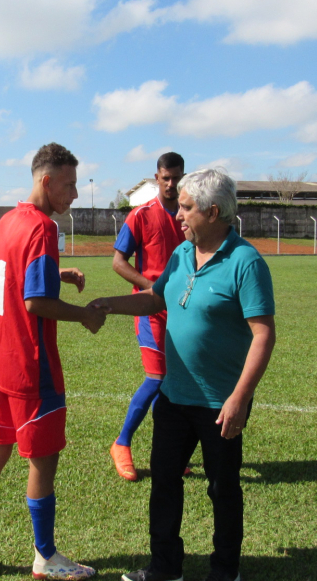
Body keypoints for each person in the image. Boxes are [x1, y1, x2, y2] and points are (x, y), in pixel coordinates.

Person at [89, 168, 276, 581]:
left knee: (223, 490)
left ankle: (225, 572)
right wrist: (110, 304)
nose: (179, 215)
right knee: (165, 485)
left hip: (219, 403)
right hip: (173, 397)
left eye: (187, 208)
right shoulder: (181, 254)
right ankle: (165, 568)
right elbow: (156, 298)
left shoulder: (246, 262)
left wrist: (239, 398)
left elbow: (263, 336)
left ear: (213, 211)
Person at [0, 143, 104, 580]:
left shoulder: (7, 221)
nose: (75, 194)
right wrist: (84, 316)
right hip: (29, 365)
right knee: (43, 457)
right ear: (47, 181)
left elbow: (13, 272)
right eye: (70, 184)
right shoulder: (42, 229)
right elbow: (36, 301)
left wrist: (60, 273)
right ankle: (46, 557)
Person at [109, 152, 187, 482]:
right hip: (149, 310)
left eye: (176, 178)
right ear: (156, 177)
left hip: (182, 312)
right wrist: (151, 285)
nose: (171, 184)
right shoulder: (140, 216)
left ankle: (164, 452)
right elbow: (118, 262)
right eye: (165, 178)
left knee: (171, 384)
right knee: (157, 378)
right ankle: (121, 443)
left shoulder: (189, 217)